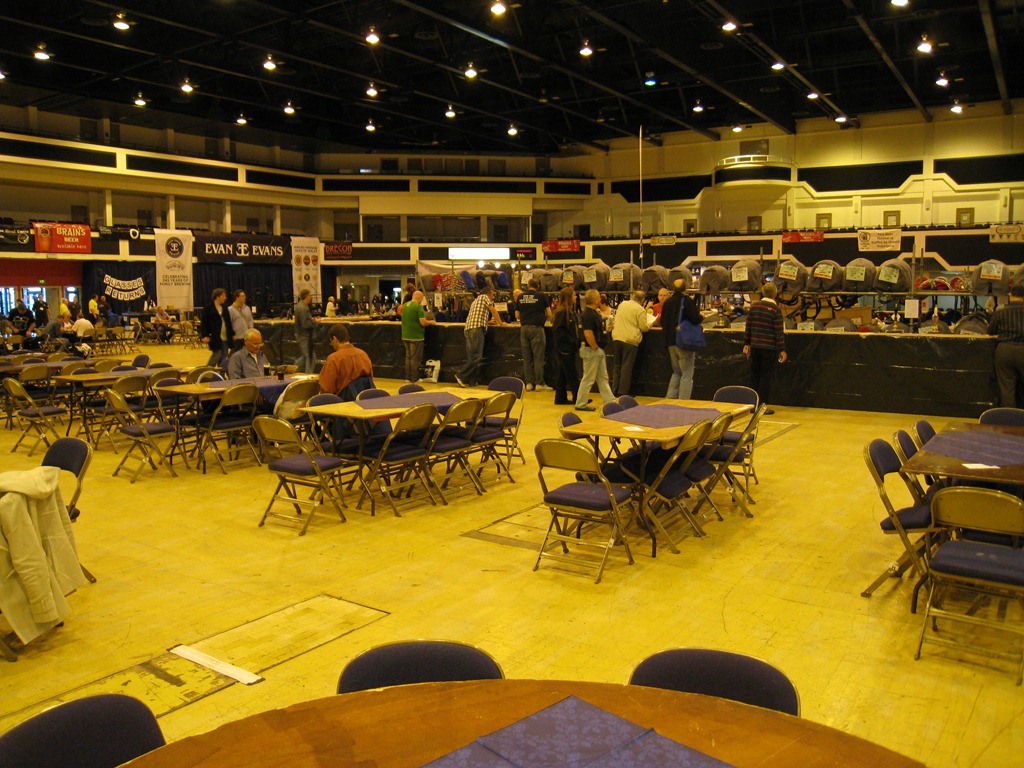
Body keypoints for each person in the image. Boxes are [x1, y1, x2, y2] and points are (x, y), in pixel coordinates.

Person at [743, 281, 787, 415]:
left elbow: (748, 326)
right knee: (765, 377)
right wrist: (781, 349)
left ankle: (752, 405)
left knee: (754, 375)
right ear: (775, 294)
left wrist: (747, 343)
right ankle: (762, 406)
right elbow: (778, 331)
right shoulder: (776, 310)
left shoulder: (754, 307)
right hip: (769, 348)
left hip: (755, 346)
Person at [660, 279, 702, 400]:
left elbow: (663, 321)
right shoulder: (687, 301)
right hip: (684, 341)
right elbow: (695, 319)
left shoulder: (668, 302)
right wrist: (701, 317)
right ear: (685, 288)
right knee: (687, 373)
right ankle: (684, 401)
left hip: (670, 341)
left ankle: (670, 398)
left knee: (676, 372)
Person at [574, 289, 615, 410]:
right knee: (588, 378)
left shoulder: (593, 313)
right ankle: (580, 403)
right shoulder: (588, 315)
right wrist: (594, 347)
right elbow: (588, 333)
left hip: (596, 349)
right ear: (596, 300)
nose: (600, 299)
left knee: (602, 377)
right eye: (599, 297)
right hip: (591, 350)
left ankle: (610, 400)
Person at [454, 287, 504, 387]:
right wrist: (501, 323)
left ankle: (471, 381)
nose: (493, 297)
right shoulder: (484, 297)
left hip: (469, 329)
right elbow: (493, 310)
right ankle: (461, 375)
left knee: (472, 356)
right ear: (489, 293)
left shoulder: (475, 301)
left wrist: (488, 322)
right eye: (492, 295)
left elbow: (477, 317)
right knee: (477, 356)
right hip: (476, 330)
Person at [987, 282, 1024, 407]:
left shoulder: (1000, 312)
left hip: (1004, 350)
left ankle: (1009, 417)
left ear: (1010, 295)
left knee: (1007, 388)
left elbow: (990, 332)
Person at [610, 290, 650, 396]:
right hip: (630, 340)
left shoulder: (622, 304)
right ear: (642, 300)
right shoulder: (640, 310)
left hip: (617, 337)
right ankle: (623, 392)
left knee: (617, 366)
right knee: (626, 367)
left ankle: (614, 390)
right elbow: (643, 327)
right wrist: (649, 325)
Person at [516, 278, 552, 391]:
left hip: (524, 329)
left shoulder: (521, 297)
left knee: (527, 357)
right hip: (537, 328)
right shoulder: (541, 296)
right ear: (538, 286)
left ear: (528, 285)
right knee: (538, 357)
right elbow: (549, 314)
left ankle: (529, 383)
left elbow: (517, 315)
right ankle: (539, 383)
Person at [319, 323, 373, 396]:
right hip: (365, 399)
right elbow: (370, 380)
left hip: (342, 400)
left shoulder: (333, 359)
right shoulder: (363, 354)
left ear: (334, 339)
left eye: (331, 341)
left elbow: (327, 389)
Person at [551, 287, 580, 405]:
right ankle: (578, 398)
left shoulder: (569, 311)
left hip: (568, 347)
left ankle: (560, 398)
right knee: (572, 374)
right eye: (574, 295)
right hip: (565, 348)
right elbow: (558, 330)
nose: (576, 297)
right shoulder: (563, 312)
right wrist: (571, 341)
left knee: (562, 374)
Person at [401, 290, 436, 383]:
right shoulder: (418, 307)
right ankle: (415, 378)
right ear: (419, 298)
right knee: (415, 358)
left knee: (408, 357)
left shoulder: (405, 306)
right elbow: (423, 322)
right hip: (416, 336)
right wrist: (431, 322)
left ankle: (407, 377)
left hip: (405, 335)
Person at [200, 287, 234, 367]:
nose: (225, 298)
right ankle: (208, 370)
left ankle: (221, 372)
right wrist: (205, 335)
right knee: (217, 353)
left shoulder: (224, 308)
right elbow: (204, 323)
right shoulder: (208, 308)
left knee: (224, 355)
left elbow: (228, 322)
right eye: (223, 296)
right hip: (215, 336)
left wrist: (232, 334)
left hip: (225, 336)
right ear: (217, 296)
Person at [293, 288, 318, 373]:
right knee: (310, 357)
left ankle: (292, 370)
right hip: (304, 335)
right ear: (307, 296)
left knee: (305, 357)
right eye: (310, 295)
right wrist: (315, 322)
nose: (311, 297)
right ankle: (308, 375)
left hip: (302, 335)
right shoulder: (303, 308)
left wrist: (311, 320)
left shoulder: (300, 306)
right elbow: (305, 324)